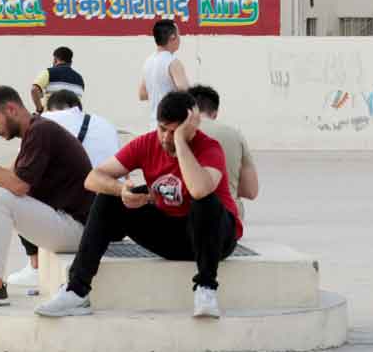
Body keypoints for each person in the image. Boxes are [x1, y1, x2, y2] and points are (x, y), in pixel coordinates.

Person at [35, 91, 241, 320]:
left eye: (174, 131)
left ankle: (206, 288)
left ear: (192, 126)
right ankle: (76, 290)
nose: (165, 138)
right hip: (174, 236)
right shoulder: (147, 143)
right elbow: (92, 178)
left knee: (205, 200)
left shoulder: (210, 148)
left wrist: (181, 142)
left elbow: (199, 189)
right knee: (108, 195)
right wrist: (121, 190)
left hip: (216, 239)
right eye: (163, 129)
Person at [0, 85, 94, 308]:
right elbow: (13, 175)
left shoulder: (41, 131)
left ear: (12, 109)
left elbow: (19, 185)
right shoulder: (33, 132)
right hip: (61, 220)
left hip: (77, 229)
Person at [7, 90, 121, 290]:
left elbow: (17, 175)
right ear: (78, 107)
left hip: (74, 219)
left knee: (13, 192)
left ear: (50, 107)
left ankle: (34, 264)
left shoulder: (42, 124)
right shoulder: (106, 125)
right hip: (110, 218)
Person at [188, 84, 259, 219]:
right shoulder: (235, 135)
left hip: (188, 220)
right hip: (229, 220)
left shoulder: (173, 134)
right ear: (215, 113)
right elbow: (251, 191)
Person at [138, 20, 189, 128]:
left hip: (153, 125)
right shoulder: (173, 62)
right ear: (172, 37)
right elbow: (185, 94)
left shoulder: (148, 62)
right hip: (171, 126)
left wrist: (160, 92)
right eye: (179, 35)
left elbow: (142, 94)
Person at [31, 46, 85, 114]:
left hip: (51, 120)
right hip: (71, 121)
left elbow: (34, 90)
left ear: (55, 59)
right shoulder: (80, 79)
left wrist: (39, 109)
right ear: (70, 62)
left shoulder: (49, 72)